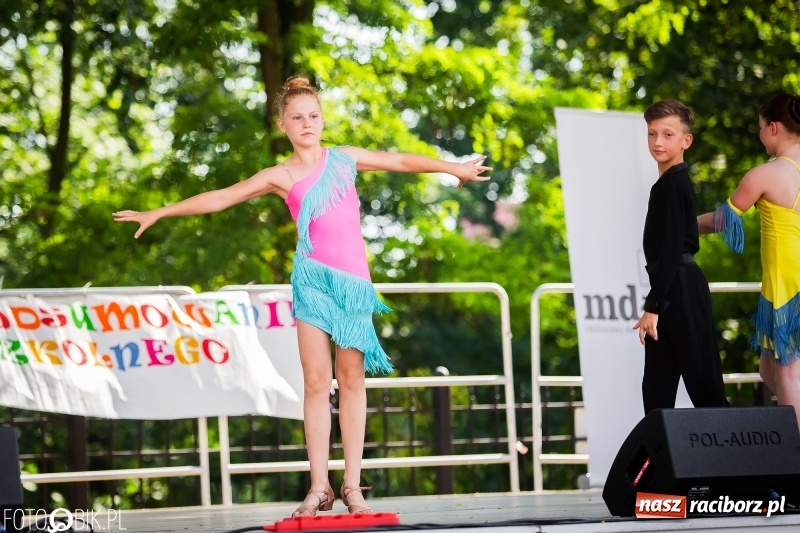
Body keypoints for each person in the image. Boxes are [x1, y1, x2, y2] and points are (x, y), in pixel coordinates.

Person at [113, 75, 491, 516]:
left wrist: (453, 168)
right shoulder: (280, 175)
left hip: (351, 284)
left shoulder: (345, 159)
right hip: (311, 280)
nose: (306, 123)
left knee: (351, 379)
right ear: (283, 125)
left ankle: (352, 486)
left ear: (322, 119)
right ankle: (318, 486)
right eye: (297, 117)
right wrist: (160, 212)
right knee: (315, 382)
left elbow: (401, 161)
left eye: (313, 116)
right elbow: (222, 197)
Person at [698, 92, 800, 427]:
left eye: (760, 128)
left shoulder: (766, 174)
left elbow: (722, 220)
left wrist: (680, 225)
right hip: (787, 282)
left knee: (787, 377)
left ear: (773, 128)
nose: (759, 135)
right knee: (767, 369)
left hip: (787, 285)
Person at [632, 99, 728, 413]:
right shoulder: (666, 184)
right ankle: (660, 463)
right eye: (652, 133)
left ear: (686, 140)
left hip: (681, 291)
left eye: (668, 134)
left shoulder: (675, 185)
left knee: (705, 390)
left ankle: (744, 461)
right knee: (656, 393)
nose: (658, 142)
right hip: (672, 292)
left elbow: (672, 249)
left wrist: (653, 306)